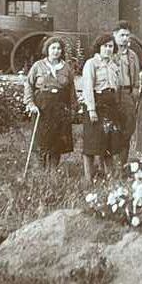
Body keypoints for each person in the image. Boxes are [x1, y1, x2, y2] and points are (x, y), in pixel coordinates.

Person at [22, 35, 79, 171]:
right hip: (42, 107)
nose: (56, 51)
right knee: (41, 139)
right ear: (47, 50)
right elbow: (29, 85)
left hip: (60, 107)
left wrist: (73, 107)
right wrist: (30, 104)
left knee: (57, 140)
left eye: (59, 48)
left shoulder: (66, 68)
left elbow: (71, 88)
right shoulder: (38, 66)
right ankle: (41, 170)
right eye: (53, 48)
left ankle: (53, 171)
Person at [80, 35, 123, 179]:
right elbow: (87, 87)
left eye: (111, 46)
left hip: (110, 106)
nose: (108, 49)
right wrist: (91, 109)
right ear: (99, 47)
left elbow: (117, 86)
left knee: (108, 141)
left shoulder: (113, 64)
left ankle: (109, 175)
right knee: (92, 142)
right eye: (105, 46)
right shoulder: (91, 63)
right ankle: (88, 178)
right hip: (96, 104)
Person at [111, 21, 140, 165]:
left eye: (127, 35)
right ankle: (108, 165)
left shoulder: (133, 55)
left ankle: (121, 164)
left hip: (128, 94)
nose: (124, 38)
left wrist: (134, 93)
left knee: (127, 129)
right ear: (114, 35)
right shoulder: (109, 52)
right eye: (121, 35)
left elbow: (136, 79)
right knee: (111, 129)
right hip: (112, 95)